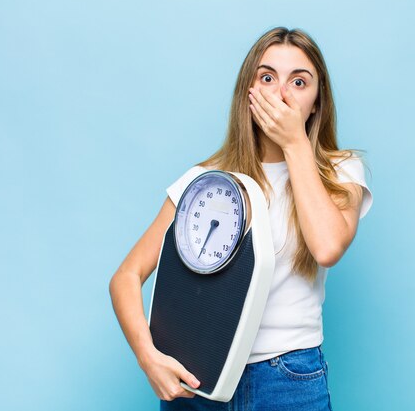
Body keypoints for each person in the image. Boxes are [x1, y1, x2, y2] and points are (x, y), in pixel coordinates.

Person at [109, 26, 373, 410]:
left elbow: (328, 246)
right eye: (267, 78)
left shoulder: (339, 171)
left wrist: (295, 142)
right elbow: (125, 277)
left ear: (316, 102)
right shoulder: (206, 182)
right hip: (197, 376)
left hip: (288, 381)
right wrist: (148, 357)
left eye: (299, 82)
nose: (281, 93)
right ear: (247, 94)